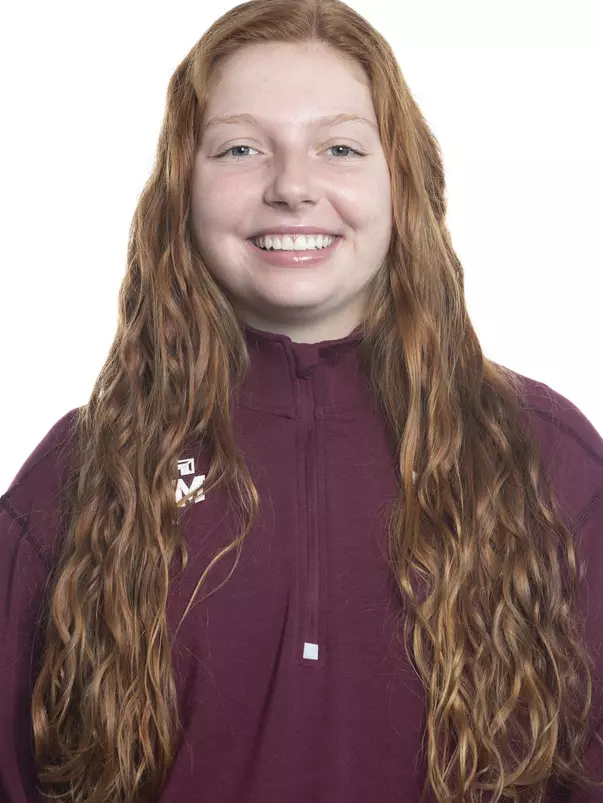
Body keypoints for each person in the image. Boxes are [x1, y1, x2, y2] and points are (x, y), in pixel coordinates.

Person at [1, 0, 602, 801]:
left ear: (403, 181)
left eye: (340, 147)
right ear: (183, 185)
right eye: (242, 147)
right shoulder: (81, 471)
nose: (291, 186)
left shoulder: (545, 456)